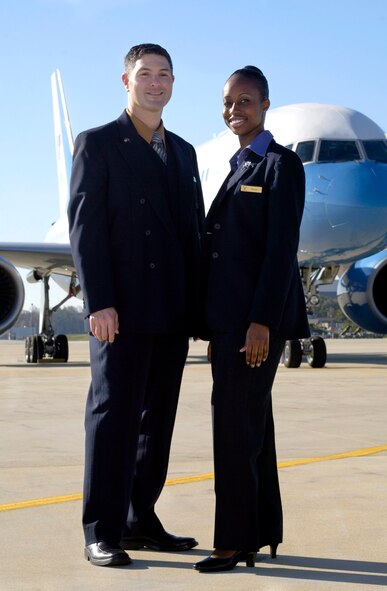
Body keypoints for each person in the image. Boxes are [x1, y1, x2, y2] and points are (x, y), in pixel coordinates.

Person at [68, 43, 205, 567]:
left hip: (170, 310)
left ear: (173, 83)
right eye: (144, 74)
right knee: (112, 417)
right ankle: (100, 529)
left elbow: (191, 234)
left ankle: (139, 520)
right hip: (119, 311)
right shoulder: (99, 144)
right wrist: (98, 302)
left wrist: (199, 312)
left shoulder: (185, 152)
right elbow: (87, 229)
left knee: (156, 422)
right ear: (125, 81)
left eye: (164, 74)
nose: (155, 83)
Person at [194, 66, 310, 573]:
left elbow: (280, 252)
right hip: (231, 326)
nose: (233, 110)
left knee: (234, 430)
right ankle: (262, 531)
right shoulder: (239, 165)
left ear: (265, 105)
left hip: (254, 326)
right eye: (227, 102)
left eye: (244, 101)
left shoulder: (281, 166)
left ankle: (234, 541)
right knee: (252, 426)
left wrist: (261, 322)